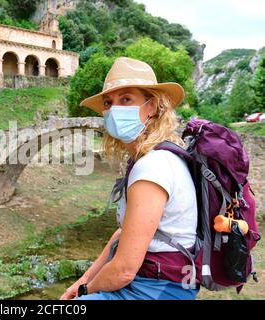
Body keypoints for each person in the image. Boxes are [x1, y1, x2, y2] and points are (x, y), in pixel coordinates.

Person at [60, 57, 199, 300]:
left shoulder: (154, 166)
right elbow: (122, 234)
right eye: (108, 102)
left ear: (153, 106)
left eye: (126, 99)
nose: (114, 109)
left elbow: (123, 271)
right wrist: (84, 280)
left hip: (158, 290)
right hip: (152, 283)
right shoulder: (148, 159)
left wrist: (84, 293)